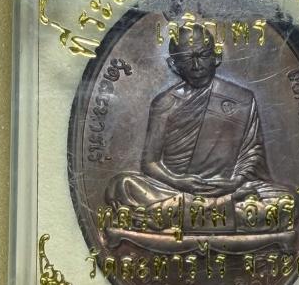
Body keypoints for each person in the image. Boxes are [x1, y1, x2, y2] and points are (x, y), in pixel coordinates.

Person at [105, 23, 283, 229]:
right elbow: (150, 163)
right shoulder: (165, 103)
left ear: (216, 57)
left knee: (286, 201)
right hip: (175, 189)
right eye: (187, 58)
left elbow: (253, 154)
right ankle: (219, 210)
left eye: (203, 55)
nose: (197, 65)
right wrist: (178, 181)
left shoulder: (242, 99)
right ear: (174, 65)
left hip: (228, 188)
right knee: (122, 186)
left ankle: (193, 213)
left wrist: (235, 182)